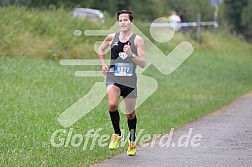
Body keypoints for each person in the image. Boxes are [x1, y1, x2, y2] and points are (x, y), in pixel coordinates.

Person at [98, 10, 146, 156]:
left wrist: (131, 55)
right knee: (112, 105)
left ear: (131, 22)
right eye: (120, 20)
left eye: (125, 20)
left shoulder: (137, 40)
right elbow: (101, 50)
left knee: (130, 114)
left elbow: (143, 63)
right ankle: (117, 134)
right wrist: (103, 64)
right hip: (114, 77)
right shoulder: (112, 37)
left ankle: (132, 142)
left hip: (130, 80)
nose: (123, 22)